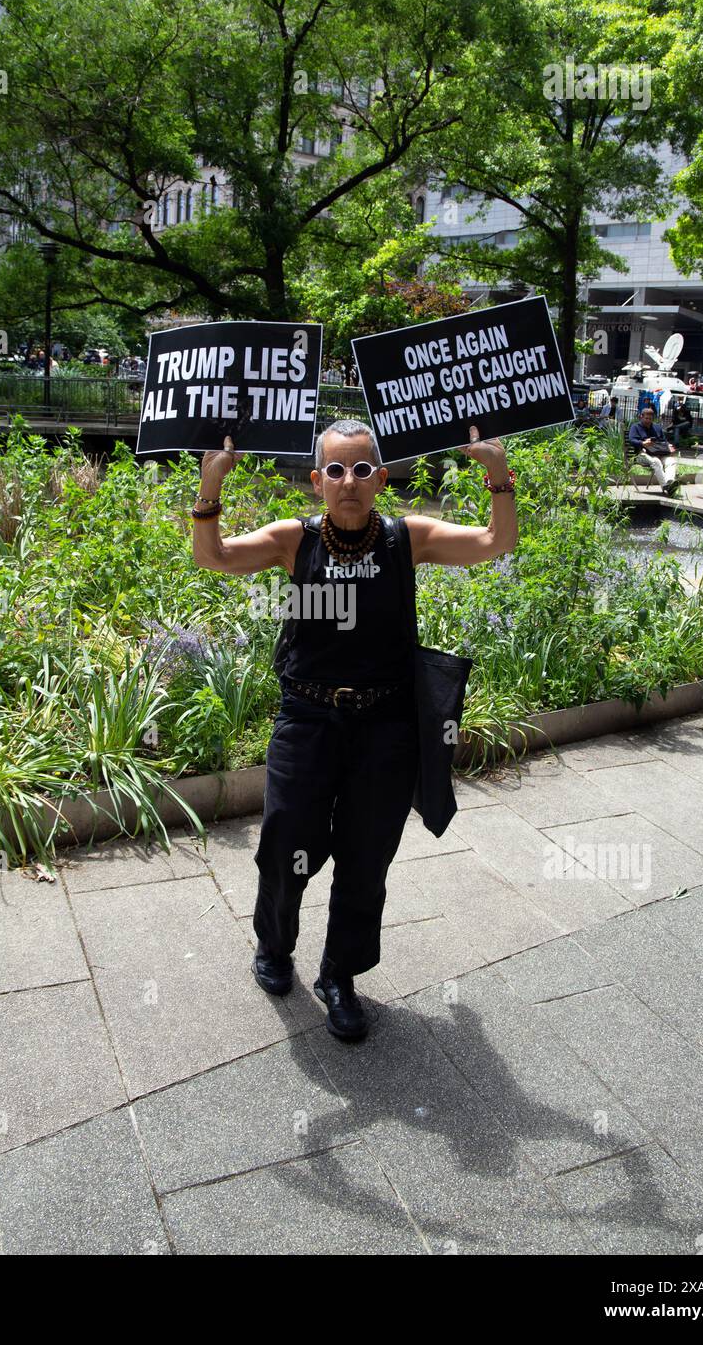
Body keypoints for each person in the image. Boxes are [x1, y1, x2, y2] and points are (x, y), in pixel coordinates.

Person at [192, 417, 517, 1042]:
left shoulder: (405, 537)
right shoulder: (296, 540)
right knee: (288, 842)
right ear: (317, 481)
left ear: (381, 477)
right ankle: (275, 945)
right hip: (308, 720)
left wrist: (496, 474)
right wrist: (211, 488)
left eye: (361, 469)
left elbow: (494, 543)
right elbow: (214, 557)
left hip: (384, 725)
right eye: (335, 470)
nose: (349, 482)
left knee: (367, 858)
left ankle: (340, 974)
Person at [627, 405, 680, 493]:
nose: (648, 421)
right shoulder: (635, 427)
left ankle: (670, 482)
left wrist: (669, 446)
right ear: (641, 417)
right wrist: (643, 443)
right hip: (642, 454)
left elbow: (664, 440)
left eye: (650, 419)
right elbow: (632, 440)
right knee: (656, 461)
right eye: (646, 418)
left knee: (671, 461)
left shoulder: (657, 427)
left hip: (660, 453)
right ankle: (665, 487)